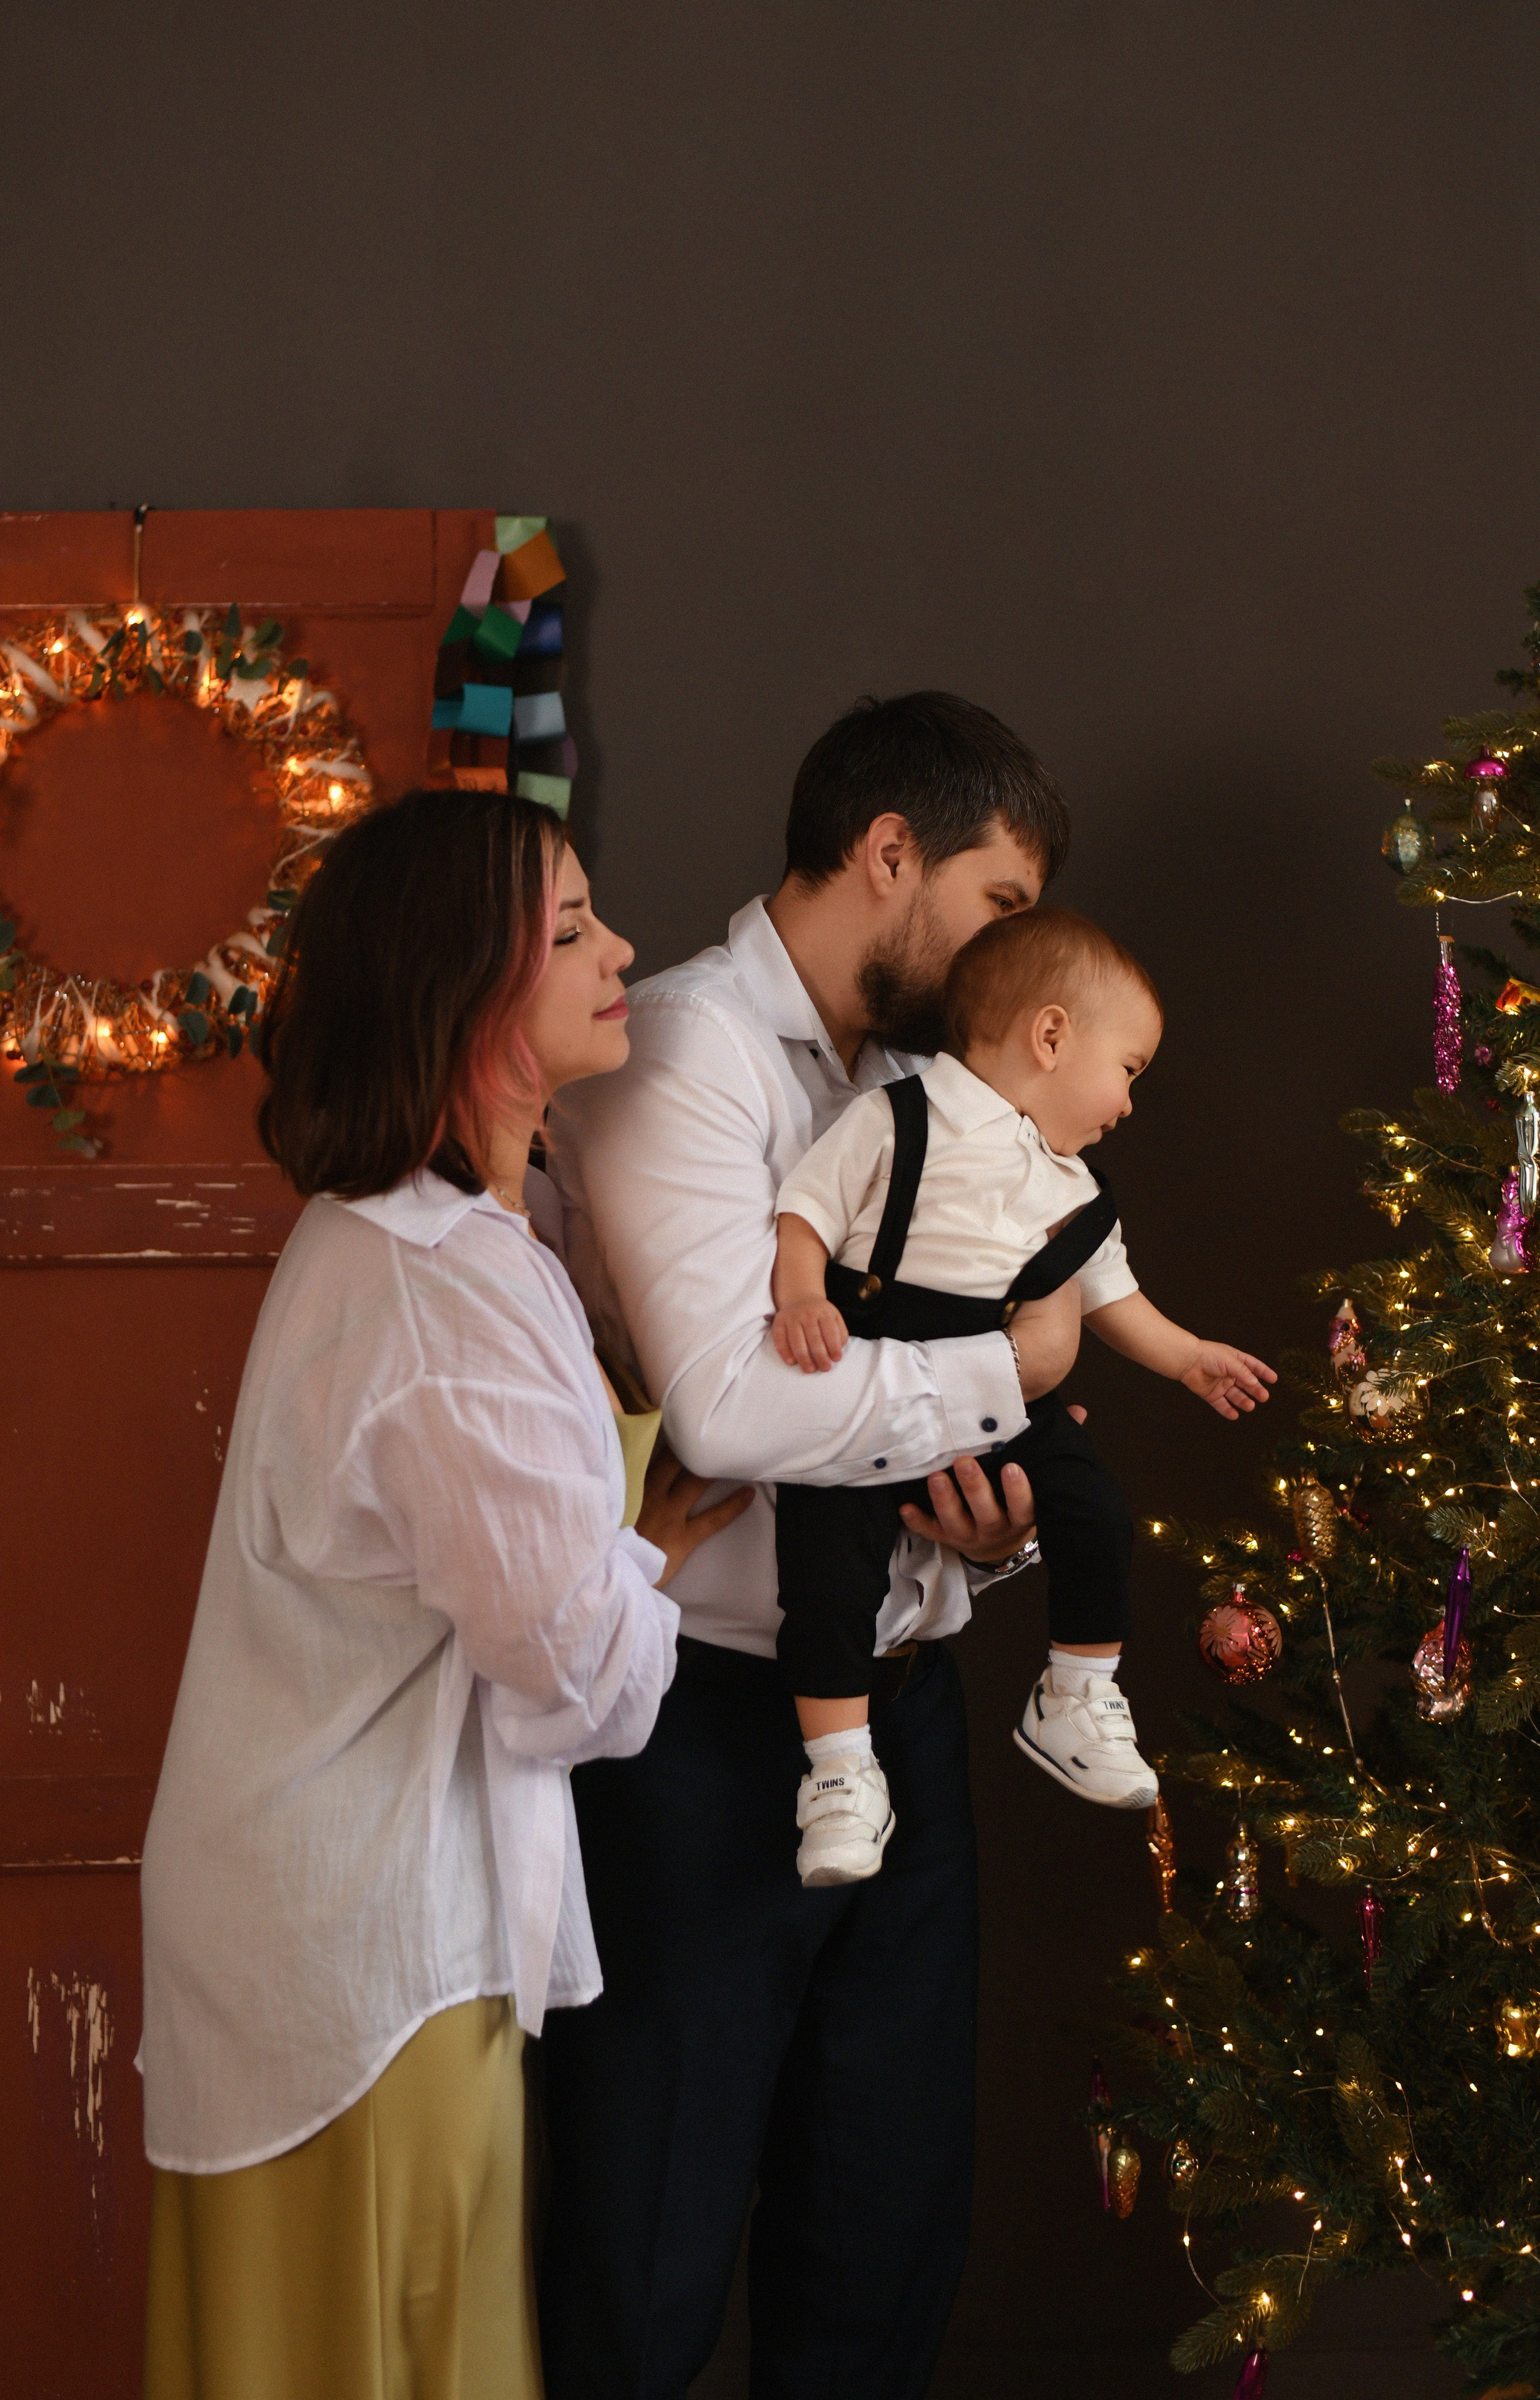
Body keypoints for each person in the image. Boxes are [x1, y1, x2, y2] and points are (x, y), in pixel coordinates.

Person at [138, 788, 748, 2400]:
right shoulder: (441, 1286)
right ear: (462, 993)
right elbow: (582, 1681)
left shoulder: (422, 1237)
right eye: (572, 930)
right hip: (364, 1946)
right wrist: (652, 1555)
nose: (622, 951)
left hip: (325, 1918)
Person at [542, 692, 1082, 2400]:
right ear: (889, 852)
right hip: (700, 1741)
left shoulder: (931, 1082)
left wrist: (988, 1528)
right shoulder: (681, 1049)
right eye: (999, 902)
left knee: (883, 2238)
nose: (1020, 953)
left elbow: (916, 1398)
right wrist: (1004, 1376)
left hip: (904, 1712)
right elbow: (727, 1408)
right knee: (647, 2248)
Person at [768, 905, 1276, 1883]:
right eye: (1128, 1069)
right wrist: (801, 1296)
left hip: (989, 1389)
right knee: (826, 1569)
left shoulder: (1072, 1186)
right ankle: (836, 1769)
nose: (1128, 1104)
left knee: (1092, 1500)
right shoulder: (896, 1118)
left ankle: (1075, 1692)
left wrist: (1187, 1358)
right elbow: (807, 1211)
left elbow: (1111, 1294)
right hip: (871, 1377)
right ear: (1051, 1036)